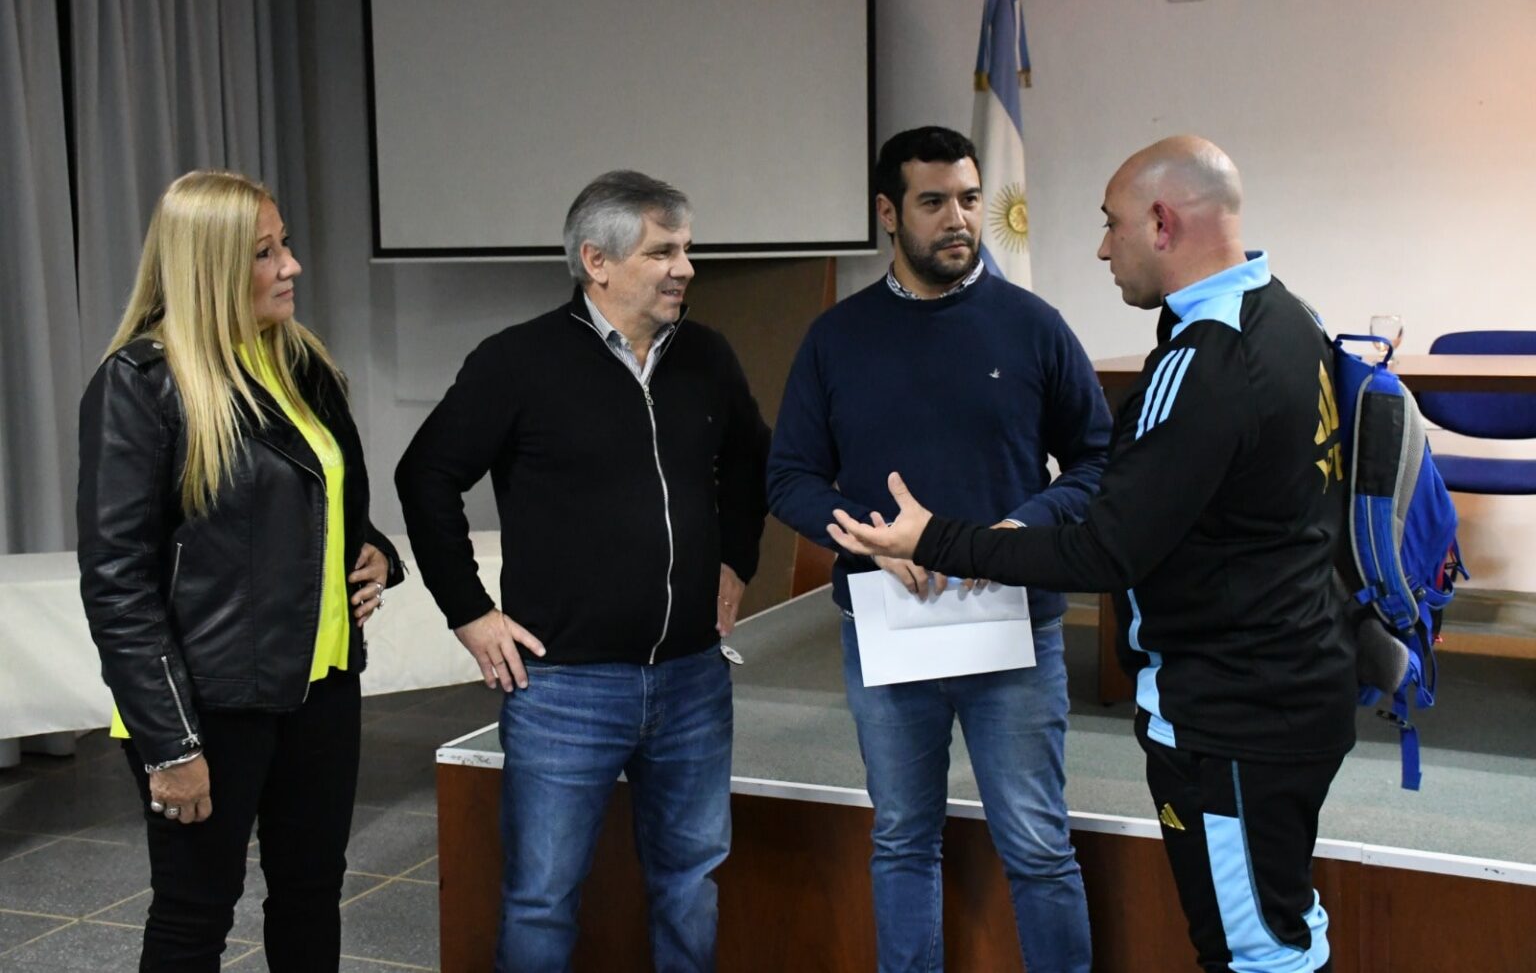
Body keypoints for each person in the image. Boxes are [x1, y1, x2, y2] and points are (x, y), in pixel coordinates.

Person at [828, 136, 1356, 973]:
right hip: (1289, 679)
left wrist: (937, 538)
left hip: (1235, 710)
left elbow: (1107, 549)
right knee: (1282, 922)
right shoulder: (1291, 315)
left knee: (1259, 950)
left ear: (1162, 222)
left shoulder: (1206, 360)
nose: (1104, 248)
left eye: (1113, 225)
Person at [395, 170, 770, 972]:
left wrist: (739, 557)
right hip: (564, 688)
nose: (685, 268)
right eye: (663, 252)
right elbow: (425, 474)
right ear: (596, 261)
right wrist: (468, 610)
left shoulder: (706, 355)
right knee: (541, 897)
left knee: (691, 883)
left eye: (687, 249)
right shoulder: (517, 361)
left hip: (692, 679)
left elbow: (749, 460)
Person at [767, 126, 1109, 972]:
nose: (959, 219)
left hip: (1012, 624)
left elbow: (1100, 460)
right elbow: (790, 477)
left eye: (968, 198)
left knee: (1037, 843)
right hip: (888, 623)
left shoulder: (1033, 325)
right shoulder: (837, 337)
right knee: (902, 838)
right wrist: (866, 536)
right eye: (933, 202)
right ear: (888, 212)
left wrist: (1021, 529)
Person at [77, 170, 406, 970]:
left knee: (311, 891)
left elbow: (320, 498)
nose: (291, 264)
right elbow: (117, 581)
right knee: (195, 912)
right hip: (209, 700)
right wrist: (170, 744)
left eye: (284, 244)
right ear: (211, 267)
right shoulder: (142, 383)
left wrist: (374, 550)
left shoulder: (301, 364)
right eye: (265, 252)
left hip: (321, 685)